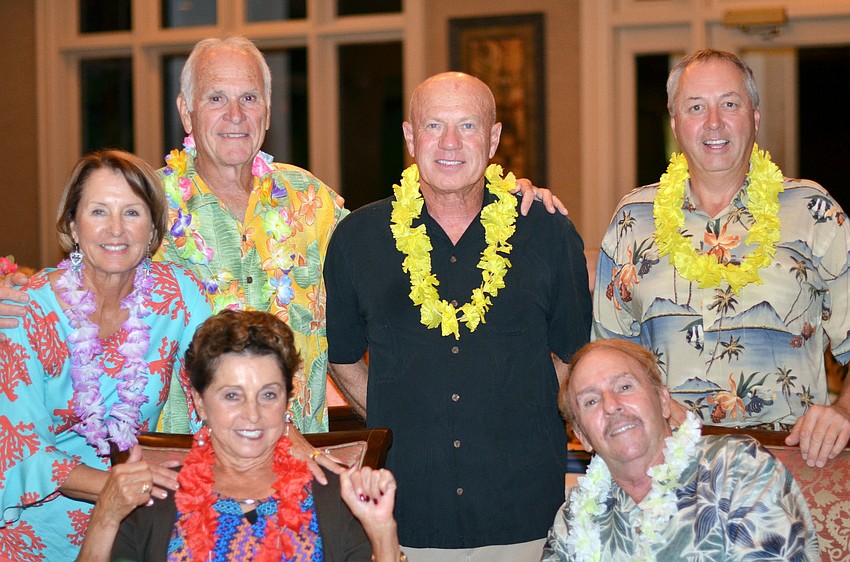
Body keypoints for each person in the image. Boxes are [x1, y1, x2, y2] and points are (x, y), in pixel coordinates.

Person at [0, 36, 565, 434]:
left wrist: (498, 195)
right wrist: (22, 295)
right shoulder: (149, 204)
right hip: (186, 470)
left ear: (268, 113)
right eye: (216, 97)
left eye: (249, 98)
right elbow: (90, 275)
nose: (235, 114)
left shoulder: (312, 202)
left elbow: (411, 244)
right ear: (185, 110)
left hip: (301, 466)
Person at [324, 72, 591, 561]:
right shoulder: (357, 239)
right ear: (410, 137)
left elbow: (576, 355)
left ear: (492, 139)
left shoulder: (548, 233)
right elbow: (340, 357)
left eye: (468, 126)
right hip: (405, 518)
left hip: (526, 514)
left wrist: (517, 406)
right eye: (433, 126)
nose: (450, 143)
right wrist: (396, 413)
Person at [593, 49, 850, 468]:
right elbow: (606, 364)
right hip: (666, 468)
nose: (714, 122)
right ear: (676, 123)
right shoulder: (633, 220)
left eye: (729, 104)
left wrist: (843, 413)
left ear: (755, 116)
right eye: (696, 107)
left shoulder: (812, 211)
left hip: (789, 464)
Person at [0, 150, 211, 560]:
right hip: (34, 532)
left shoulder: (179, 296)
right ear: (73, 226)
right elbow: (20, 449)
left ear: (152, 229)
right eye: (99, 211)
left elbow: (222, 381)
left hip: (134, 529)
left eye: (132, 212)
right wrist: (129, 485)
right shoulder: (27, 310)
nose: (116, 229)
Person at [76, 309, 403, 562]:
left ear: (286, 401)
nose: (252, 415)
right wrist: (106, 514)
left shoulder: (335, 495)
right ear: (200, 402)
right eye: (232, 395)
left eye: (268, 395)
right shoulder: (156, 497)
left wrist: (383, 532)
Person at [542, 338, 819, 560]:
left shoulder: (736, 467)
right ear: (582, 436)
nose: (611, 405)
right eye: (591, 401)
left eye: (624, 386)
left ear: (663, 401)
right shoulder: (574, 517)